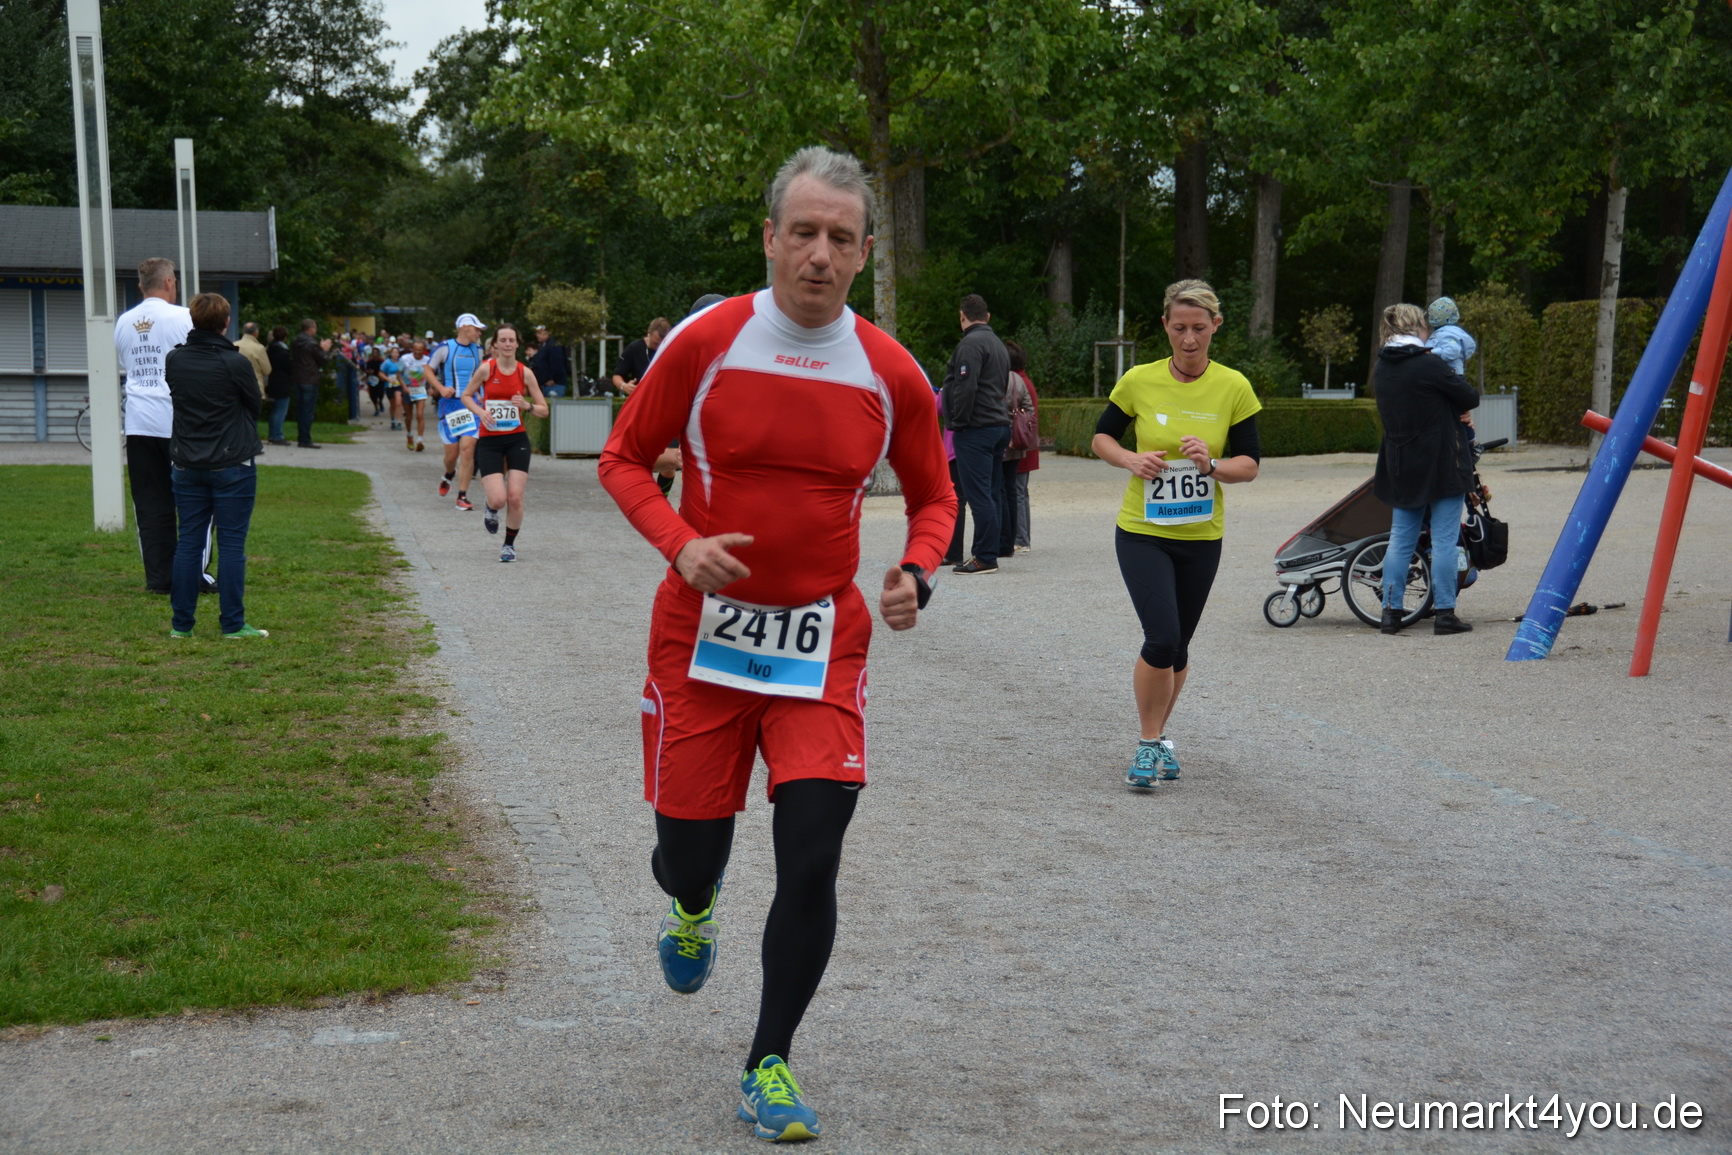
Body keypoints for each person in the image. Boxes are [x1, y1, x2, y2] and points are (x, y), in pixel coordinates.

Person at [598, 145, 953, 1143]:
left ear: (863, 253)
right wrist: (680, 543)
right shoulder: (708, 343)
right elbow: (623, 458)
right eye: (803, 232)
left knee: (811, 858)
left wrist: (916, 572)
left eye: (841, 238)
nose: (819, 255)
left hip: (820, 648)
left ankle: (769, 1063)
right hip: (701, 645)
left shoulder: (889, 371)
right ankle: (690, 904)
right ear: (769, 238)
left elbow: (936, 496)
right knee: (688, 854)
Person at [1091, 278, 1262, 789]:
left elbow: (1250, 466)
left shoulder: (1234, 386)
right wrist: (1129, 459)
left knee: (1180, 646)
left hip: (1201, 536)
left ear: (1215, 327)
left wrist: (1211, 464)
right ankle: (1146, 746)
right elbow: (1101, 436)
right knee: (1161, 637)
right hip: (1142, 530)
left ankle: (1159, 734)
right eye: (1180, 328)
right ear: (1165, 326)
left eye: (1199, 328)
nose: (1189, 339)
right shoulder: (1138, 380)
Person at [1372, 302, 1480, 636]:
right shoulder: (1429, 365)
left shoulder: (1382, 368)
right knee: (1446, 541)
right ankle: (1445, 614)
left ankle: (1391, 613)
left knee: (1401, 540)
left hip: (1402, 463)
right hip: (1442, 462)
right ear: (1418, 328)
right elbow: (1469, 396)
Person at [164, 293, 267, 638]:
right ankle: (233, 624)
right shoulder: (234, 363)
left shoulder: (175, 358)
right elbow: (255, 405)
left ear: (192, 321)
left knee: (189, 542)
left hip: (187, 462)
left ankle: (181, 625)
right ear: (226, 323)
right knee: (233, 544)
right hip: (232, 462)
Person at [113, 257, 195, 593]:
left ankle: (159, 578)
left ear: (140, 286)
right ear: (170, 282)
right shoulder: (183, 317)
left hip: (138, 423)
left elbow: (126, 364)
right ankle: (191, 573)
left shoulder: (123, 322)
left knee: (150, 503)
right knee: (192, 502)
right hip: (178, 421)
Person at [461, 323, 549, 562]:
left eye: (512, 340)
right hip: (490, 441)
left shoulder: (525, 373)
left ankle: (509, 545)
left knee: (515, 497)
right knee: (499, 498)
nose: (508, 344)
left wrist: (527, 406)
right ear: (496, 345)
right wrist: (480, 412)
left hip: (516, 439)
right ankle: (490, 508)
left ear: (517, 344)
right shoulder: (486, 370)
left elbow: (543, 410)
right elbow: (466, 395)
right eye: (503, 340)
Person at [941, 294, 1012, 575]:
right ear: (988, 316)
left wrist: (957, 421)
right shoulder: (998, 344)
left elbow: (964, 387)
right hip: (998, 425)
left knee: (978, 494)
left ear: (962, 316)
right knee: (992, 493)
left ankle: (984, 557)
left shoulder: (970, 344)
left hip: (977, 428)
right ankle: (991, 550)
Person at [428, 314, 488, 510]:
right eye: (476, 329)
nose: (479, 333)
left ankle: (462, 496)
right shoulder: (445, 347)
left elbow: (480, 375)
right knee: (452, 455)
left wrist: (481, 394)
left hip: (470, 404)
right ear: (464, 327)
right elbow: (428, 369)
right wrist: (440, 388)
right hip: (451, 405)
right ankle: (448, 473)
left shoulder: (478, 350)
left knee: (468, 448)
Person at [997, 344, 1035, 562]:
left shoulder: (997, 377)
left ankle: (1004, 538)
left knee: (999, 491)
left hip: (999, 441)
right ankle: (1014, 538)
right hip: (1017, 444)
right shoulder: (1019, 381)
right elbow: (1029, 409)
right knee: (1012, 491)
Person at [1007, 340, 1040, 552]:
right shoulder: (1024, 380)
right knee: (1021, 492)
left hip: (1019, 443)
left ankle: (1021, 538)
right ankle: (1022, 536)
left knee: (1017, 492)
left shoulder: (1016, 382)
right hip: (1027, 443)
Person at [289, 318, 331, 448]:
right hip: (310, 379)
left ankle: (302, 436)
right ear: (310, 328)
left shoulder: (296, 341)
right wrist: (324, 349)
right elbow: (324, 360)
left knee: (301, 409)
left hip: (298, 378)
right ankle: (305, 438)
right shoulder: (312, 344)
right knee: (308, 410)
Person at [611, 317, 670, 395]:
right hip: (642, 400)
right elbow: (616, 376)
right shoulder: (635, 348)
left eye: (662, 344)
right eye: (655, 343)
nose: (658, 348)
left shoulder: (670, 349)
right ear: (649, 333)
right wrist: (624, 386)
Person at [1425, 296, 1477, 377]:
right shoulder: (1446, 332)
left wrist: (1432, 352)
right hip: (1448, 374)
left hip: (1449, 375)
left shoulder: (1447, 334)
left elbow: (1453, 351)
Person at [400, 338, 433, 451]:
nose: (418, 352)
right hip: (408, 389)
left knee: (420, 414)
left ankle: (420, 440)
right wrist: (404, 387)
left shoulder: (428, 360)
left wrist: (431, 387)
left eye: (420, 350)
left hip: (420, 390)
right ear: (412, 349)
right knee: (409, 416)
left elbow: (431, 376)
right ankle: (409, 435)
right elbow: (399, 374)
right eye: (415, 350)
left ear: (424, 350)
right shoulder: (405, 359)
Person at [265, 325, 292, 444]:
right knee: (281, 410)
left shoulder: (270, 349)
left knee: (275, 409)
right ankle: (277, 435)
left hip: (273, 381)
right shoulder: (283, 352)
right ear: (285, 337)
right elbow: (288, 367)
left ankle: (273, 433)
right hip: (282, 383)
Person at [529, 323, 570, 397]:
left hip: (554, 386)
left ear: (547, 333)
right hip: (545, 385)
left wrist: (554, 379)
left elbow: (557, 363)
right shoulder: (544, 346)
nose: (537, 335)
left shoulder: (553, 345)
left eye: (539, 333)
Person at [236, 321, 270, 399]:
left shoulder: (234, 345)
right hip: (255, 388)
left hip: (237, 388)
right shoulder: (259, 348)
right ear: (256, 332)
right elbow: (267, 370)